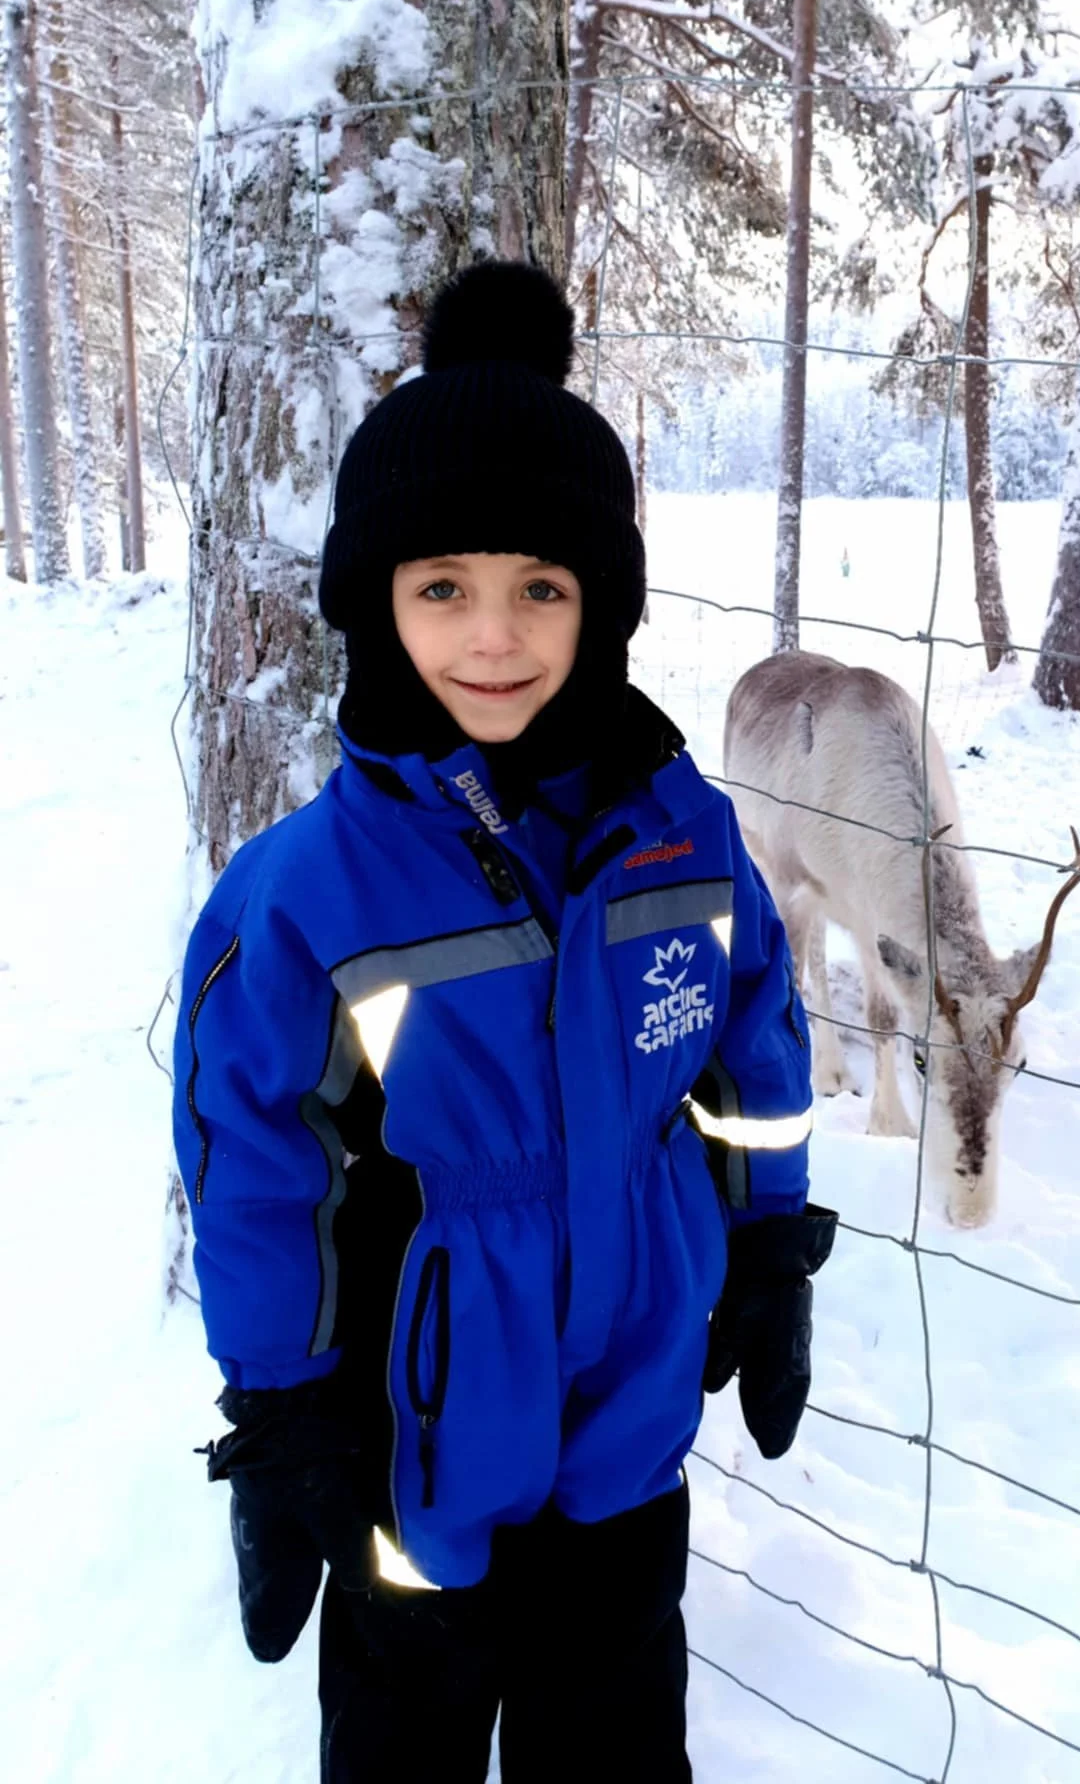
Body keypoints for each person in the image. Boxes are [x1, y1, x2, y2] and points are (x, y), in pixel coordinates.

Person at [172, 261, 836, 1784]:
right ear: (376, 603)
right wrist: (279, 1408)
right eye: (442, 588)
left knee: (611, 1744)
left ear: (599, 602)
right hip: (416, 1472)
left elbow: (757, 1037)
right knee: (404, 1745)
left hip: (628, 1445)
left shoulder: (682, 833)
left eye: (542, 586)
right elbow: (252, 1158)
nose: (495, 636)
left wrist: (766, 1236)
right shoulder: (308, 895)